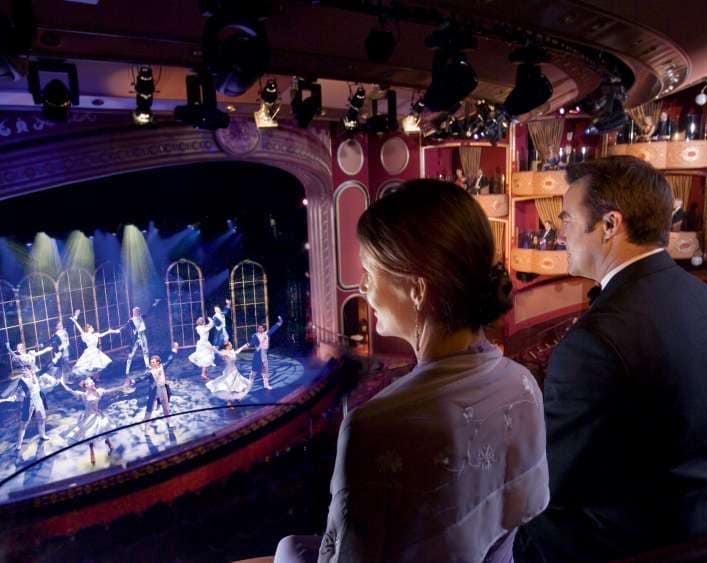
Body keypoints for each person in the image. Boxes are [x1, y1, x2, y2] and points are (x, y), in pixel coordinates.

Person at [275, 179, 548, 563]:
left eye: (370, 271)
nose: (363, 286)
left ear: (418, 290)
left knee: (287, 549)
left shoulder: (374, 426)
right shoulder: (523, 385)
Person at [514, 156, 707, 562]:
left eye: (565, 219)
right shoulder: (704, 296)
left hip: (632, 543)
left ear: (610, 225)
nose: (559, 233)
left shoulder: (593, 343)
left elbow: (552, 480)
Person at [60, 376, 127, 465]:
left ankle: (109, 443)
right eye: (91, 383)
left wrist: (124, 385)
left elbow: (112, 390)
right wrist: (62, 382)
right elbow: (70, 390)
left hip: (97, 415)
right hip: (88, 417)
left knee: (103, 427)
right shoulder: (83, 395)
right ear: (86, 386)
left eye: (93, 382)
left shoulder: (99, 391)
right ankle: (92, 451)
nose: (93, 383)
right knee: (89, 434)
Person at [4, 341, 54, 451]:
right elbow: (17, 393)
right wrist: (10, 398)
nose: (26, 371)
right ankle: (19, 444)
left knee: (42, 417)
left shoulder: (35, 375)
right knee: (24, 423)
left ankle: (42, 435)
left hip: (38, 399)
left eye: (28, 369)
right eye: (24, 370)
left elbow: (44, 368)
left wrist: (49, 352)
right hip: (29, 401)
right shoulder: (22, 380)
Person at [129, 342, 180, 431]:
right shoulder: (150, 372)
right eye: (151, 362)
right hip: (154, 390)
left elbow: (170, 359)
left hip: (163, 389)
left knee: (166, 407)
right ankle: (146, 426)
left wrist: (174, 349)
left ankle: (169, 423)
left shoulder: (162, 367)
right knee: (149, 409)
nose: (151, 364)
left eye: (153, 362)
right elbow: (142, 377)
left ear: (158, 363)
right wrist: (133, 381)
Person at [70, 310, 120, 377]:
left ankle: (96, 377)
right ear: (88, 329)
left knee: (97, 365)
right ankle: (91, 378)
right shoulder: (85, 335)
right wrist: (74, 321)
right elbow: (79, 329)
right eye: (91, 327)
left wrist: (110, 331)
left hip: (95, 351)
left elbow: (103, 334)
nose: (93, 328)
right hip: (90, 352)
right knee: (89, 366)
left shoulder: (95, 335)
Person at [123, 299, 160, 377]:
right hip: (136, 338)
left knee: (146, 351)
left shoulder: (141, 317)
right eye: (136, 311)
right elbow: (126, 327)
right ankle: (127, 371)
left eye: (138, 311)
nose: (137, 312)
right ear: (133, 312)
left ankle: (147, 365)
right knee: (131, 354)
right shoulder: (131, 320)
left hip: (142, 335)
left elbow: (149, 312)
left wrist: (155, 304)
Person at [250, 316, 283, 390]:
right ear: (257, 328)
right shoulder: (255, 336)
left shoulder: (266, 334)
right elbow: (251, 343)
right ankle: (249, 384)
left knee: (265, 370)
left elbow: (273, 329)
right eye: (259, 328)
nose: (260, 329)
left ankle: (266, 385)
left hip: (264, 354)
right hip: (258, 355)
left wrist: (279, 322)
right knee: (254, 371)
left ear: (264, 328)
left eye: (261, 328)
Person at [188, 316, 215, 380]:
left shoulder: (198, 328)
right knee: (207, 358)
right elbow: (211, 325)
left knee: (204, 357)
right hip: (205, 343)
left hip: (201, 343)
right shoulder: (203, 329)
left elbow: (208, 326)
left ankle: (204, 374)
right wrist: (210, 319)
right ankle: (203, 374)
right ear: (203, 322)